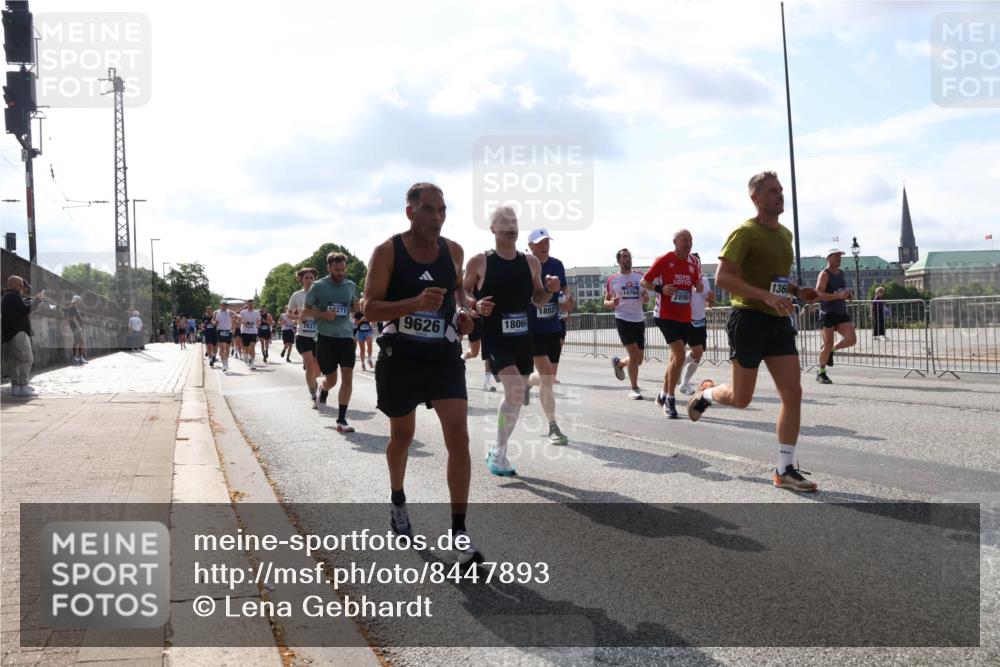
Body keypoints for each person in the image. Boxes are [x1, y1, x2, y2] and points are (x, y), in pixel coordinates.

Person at [362, 182, 481, 566]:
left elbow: (458, 292)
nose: (437, 217)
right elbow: (369, 309)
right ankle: (398, 499)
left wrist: (463, 314)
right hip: (401, 357)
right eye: (429, 209)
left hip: (443, 355)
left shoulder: (453, 251)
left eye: (442, 210)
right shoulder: (387, 252)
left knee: (459, 438)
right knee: (402, 436)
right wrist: (413, 303)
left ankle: (459, 532)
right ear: (410, 212)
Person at [687, 171, 820, 492]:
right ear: (755, 197)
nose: (780, 195)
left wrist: (797, 290)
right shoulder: (745, 233)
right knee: (741, 398)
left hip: (777, 321)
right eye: (773, 191)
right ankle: (706, 394)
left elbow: (775, 279)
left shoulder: (785, 235)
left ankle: (784, 469)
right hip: (747, 320)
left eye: (781, 190)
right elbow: (723, 278)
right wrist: (765, 296)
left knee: (793, 392)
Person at [464, 206, 562, 476]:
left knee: (516, 396)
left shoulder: (531, 263)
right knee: (516, 388)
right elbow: (463, 291)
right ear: (492, 229)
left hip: (523, 338)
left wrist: (550, 290)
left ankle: (498, 448)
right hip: (496, 337)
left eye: (515, 221)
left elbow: (538, 299)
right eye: (504, 221)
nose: (511, 226)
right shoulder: (480, 261)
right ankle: (499, 452)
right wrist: (474, 304)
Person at [640, 229, 703, 418]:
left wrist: (699, 286)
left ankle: (661, 396)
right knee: (680, 355)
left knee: (679, 358)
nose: (688, 243)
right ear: (675, 242)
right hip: (665, 315)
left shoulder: (694, 262)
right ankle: (669, 400)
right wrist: (661, 289)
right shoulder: (664, 259)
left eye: (690, 240)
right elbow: (644, 282)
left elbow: (697, 283)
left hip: (685, 316)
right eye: (684, 240)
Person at [525, 228, 571, 445]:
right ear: (530, 246)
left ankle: (527, 381)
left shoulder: (557, 265)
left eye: (547, 242)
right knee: (546, 375)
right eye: (540, 243)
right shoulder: (525, 265)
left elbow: (565, 289)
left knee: (548, 378)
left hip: (553, 326)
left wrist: (565, 298)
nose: (544, 246)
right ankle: (553, 425)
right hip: (532, 328)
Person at [605, 248, 649, 399]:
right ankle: (634, 388)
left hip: (638, 319)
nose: (628, 259)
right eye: (624, 257)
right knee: (634, 354)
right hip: (623, 319)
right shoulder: (613, 280)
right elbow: (606, 302)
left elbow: (646, 298)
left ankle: (620, 364)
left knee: (639, 359)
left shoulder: (640, 277)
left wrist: (645, 298)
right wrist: (612, 303)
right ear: (618, 261)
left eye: (629, 256)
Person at [815, 248, 857, 384]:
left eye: (840, 256)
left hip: (840, 312)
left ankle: (831, 350)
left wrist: (848, 295)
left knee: (851, 339)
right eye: (836, 256)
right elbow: (819, 294)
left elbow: (840, 291)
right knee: (827, 344)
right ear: (829, 258)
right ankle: (821, 372)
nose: (839, 258)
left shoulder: (842, 273)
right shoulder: (824, 274)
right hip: (827, 313)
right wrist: (838, 296)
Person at [2, 276, 49, 396]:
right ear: (15, 285)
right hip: (19, 333)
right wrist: (37, 300)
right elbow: (25, 309)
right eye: (22, 286)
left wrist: (34, 305)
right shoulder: (13, 296)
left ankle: (16, 387)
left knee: (16, 361)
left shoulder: (8, 297)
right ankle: (23, 386)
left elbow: (22, 312)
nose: (23, 289)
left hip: (12, 334)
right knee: (27, 359)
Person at [679, 253, 716, 394]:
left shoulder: (705, 280)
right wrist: (693, 290)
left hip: (701, 319)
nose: (695, 266)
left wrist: (711, 300)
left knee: (698, 355)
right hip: (687, 320)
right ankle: (677, 367)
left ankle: (684, 383)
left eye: (697, 263)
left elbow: (708, 304)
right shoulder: (683, 280)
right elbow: (678, 299)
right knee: (697, 350)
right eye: (692, 263)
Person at [288, 268, 321, 406]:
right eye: (306, 278)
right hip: (303, 335)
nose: (309, 280)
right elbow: (289, 314)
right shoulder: (296, 295)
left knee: (317, 370)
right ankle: (313, 395)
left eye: (311, 278)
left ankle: (314, 379)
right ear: (301, 280)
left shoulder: (320, 294)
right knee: (309, 365)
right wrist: (299, 317)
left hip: (318, 336)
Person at [65, 295, 88, 365]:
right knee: (77, 342)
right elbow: (73, 319)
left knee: (80, 341)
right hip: (76, 328)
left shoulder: (75, 308)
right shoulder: (72, 308)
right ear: (76, 301)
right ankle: (74, 358)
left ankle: (80, 357)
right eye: (79, 300)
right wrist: (79, 327)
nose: (80, 302)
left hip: (77, 328)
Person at [238, 299, 261, 369]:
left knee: (252, 346)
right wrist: (243, 322)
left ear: (253, 304)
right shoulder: (243, 312)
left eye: (252, 304)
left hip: (253, 331)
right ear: (247, 304)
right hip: (245, 331)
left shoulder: (257, 312)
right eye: (249, 304)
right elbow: (238, 321)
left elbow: (259, 321)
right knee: (247, 347)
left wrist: (258, 323)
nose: (250, 305)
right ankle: (245, 354)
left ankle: (252, 364)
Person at [212, 301, 234, 371]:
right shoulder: (216, 312)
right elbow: (212, 320)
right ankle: (224, 363)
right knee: (222, 348)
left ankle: (226, 361)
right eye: (224, 305)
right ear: (220, 305)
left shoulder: (229, 312)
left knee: (227, 348)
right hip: (220, 331)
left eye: (226, 305)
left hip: (228, 331)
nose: (225, 306)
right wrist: (214, 323)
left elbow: (237, 315)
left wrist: (238, 316)